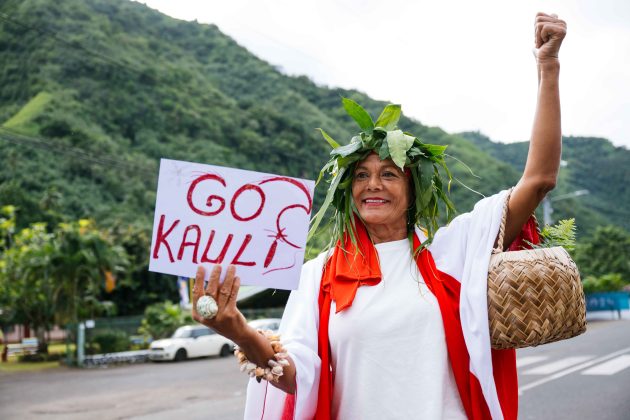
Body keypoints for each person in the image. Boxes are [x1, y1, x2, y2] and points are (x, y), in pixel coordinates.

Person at [191, 12, 567, 420]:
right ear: (347, 192)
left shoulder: (452, 250)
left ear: (413, 189)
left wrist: (548, 67)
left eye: (389, 174)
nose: (373, 184)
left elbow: (539, 180)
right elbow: (296, 377)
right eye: (361, 175)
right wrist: (239, 332)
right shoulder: (318, 276)